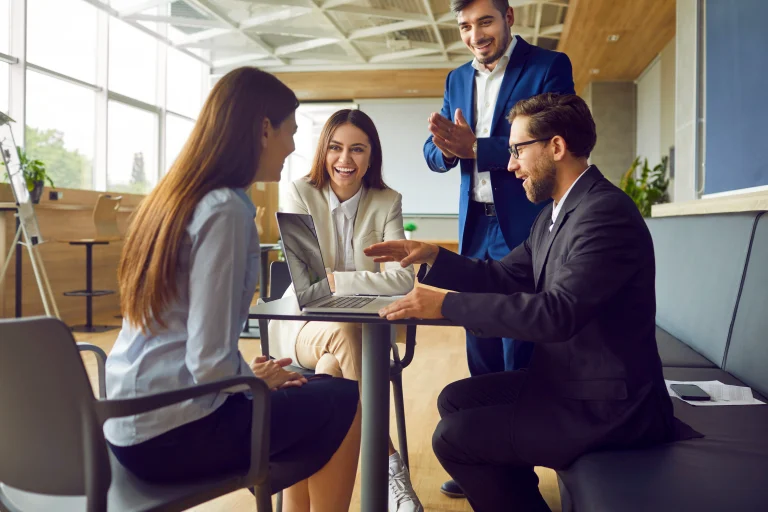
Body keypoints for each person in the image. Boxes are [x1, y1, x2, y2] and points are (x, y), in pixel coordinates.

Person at [366, 93, 687, 511]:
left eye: (517, 150)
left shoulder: (604, 214)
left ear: (556, 146)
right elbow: (503, 276)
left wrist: (446, 304)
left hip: (608, 405)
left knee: (454, 438)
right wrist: (433, 256)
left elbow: (557, 314)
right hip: (571, 383)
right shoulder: (557, 211)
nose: (511, 164)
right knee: (454, 400)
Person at [104, 67, 361, 512]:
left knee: (315, 387)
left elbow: (189, 342)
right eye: (291, 132)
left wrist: (243, 377)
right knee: (344, 399)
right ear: (264, 130)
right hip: (174, 433)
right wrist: (247, 383)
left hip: (127, 424)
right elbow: (207, 363)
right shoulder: (226, 208)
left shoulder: (175, 197)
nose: (295, 147)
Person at [424, 1, 574, 496]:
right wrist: (445, 148)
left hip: (524, 229)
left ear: (509, 17)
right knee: (480, 345)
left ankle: (521, 469)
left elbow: (558, 134)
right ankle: (482, 456)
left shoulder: (548, 67)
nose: (475, 35)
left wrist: (477, 148)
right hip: (475, 229)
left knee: (519, 350)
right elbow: (434, 152)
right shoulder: (454, 80)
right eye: (465, 27)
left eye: (484, 22)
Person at [268, 108, 421, 512]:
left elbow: (402, 280)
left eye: (357, 149)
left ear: (371, 156)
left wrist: (340, 281)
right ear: (323, 152)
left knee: (330, 373)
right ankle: (388, 463)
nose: (345, 160)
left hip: (363, 334)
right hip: (302, 327)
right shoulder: (299, 192)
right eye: (335, 148)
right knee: (344, 333)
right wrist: (344, 283)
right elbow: (309, 286)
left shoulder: (387, 201)